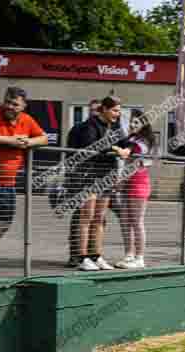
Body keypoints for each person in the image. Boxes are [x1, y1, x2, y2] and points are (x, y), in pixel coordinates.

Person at [0, 86, 48, 279]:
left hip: (7, 183)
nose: (11, 107)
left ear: (23, 106)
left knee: (3, 223)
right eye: (8, 102)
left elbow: (44, 138)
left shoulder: (27, 120)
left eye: (15, 104)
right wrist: (11, 141)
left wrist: (29, 142)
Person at [71, 95, 130, 271]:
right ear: (104, 109)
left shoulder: (116, 125)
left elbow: (125, 142)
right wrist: (115, 148)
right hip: (89, 176)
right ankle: (82, 258)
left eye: (119, 111)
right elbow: (93, 145)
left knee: (99, 218)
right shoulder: (91, 125)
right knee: (86, 217)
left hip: (107, 176)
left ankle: (96, 256)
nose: (117, 114)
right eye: (114, 110)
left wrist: (127, 149)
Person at [115, 110, 155, 269]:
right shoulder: (131, 138)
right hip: (127, 183)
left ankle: (140, 258)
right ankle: (129, 255)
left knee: (137, 222)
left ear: (144, 125)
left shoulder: (142, 142)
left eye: (136, 122)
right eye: (131, 122)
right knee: (125, 221)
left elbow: (131, 161)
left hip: (138, 183)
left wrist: (121, 181)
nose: (132, 125)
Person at [66, 99, 101, 267]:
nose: (95, 112)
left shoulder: (106, 129)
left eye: (98, 110)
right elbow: (69, 154)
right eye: (93, 109)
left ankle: (94, 255)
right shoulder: (79, 128)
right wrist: (71, 176)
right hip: (82, 177)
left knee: (99, 218)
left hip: (103, 180)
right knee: (81, 216)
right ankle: (77, 255)